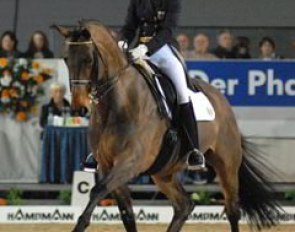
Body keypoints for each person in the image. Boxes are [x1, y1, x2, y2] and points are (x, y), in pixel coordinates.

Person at [118, 0, 205, 170]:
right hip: (137, 51)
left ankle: (193, 150)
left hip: (163, 51)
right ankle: (101, 148)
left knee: (182, 93)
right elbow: (129, 26)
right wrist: (123, 41)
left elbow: (167, 31)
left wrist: (146, 48)